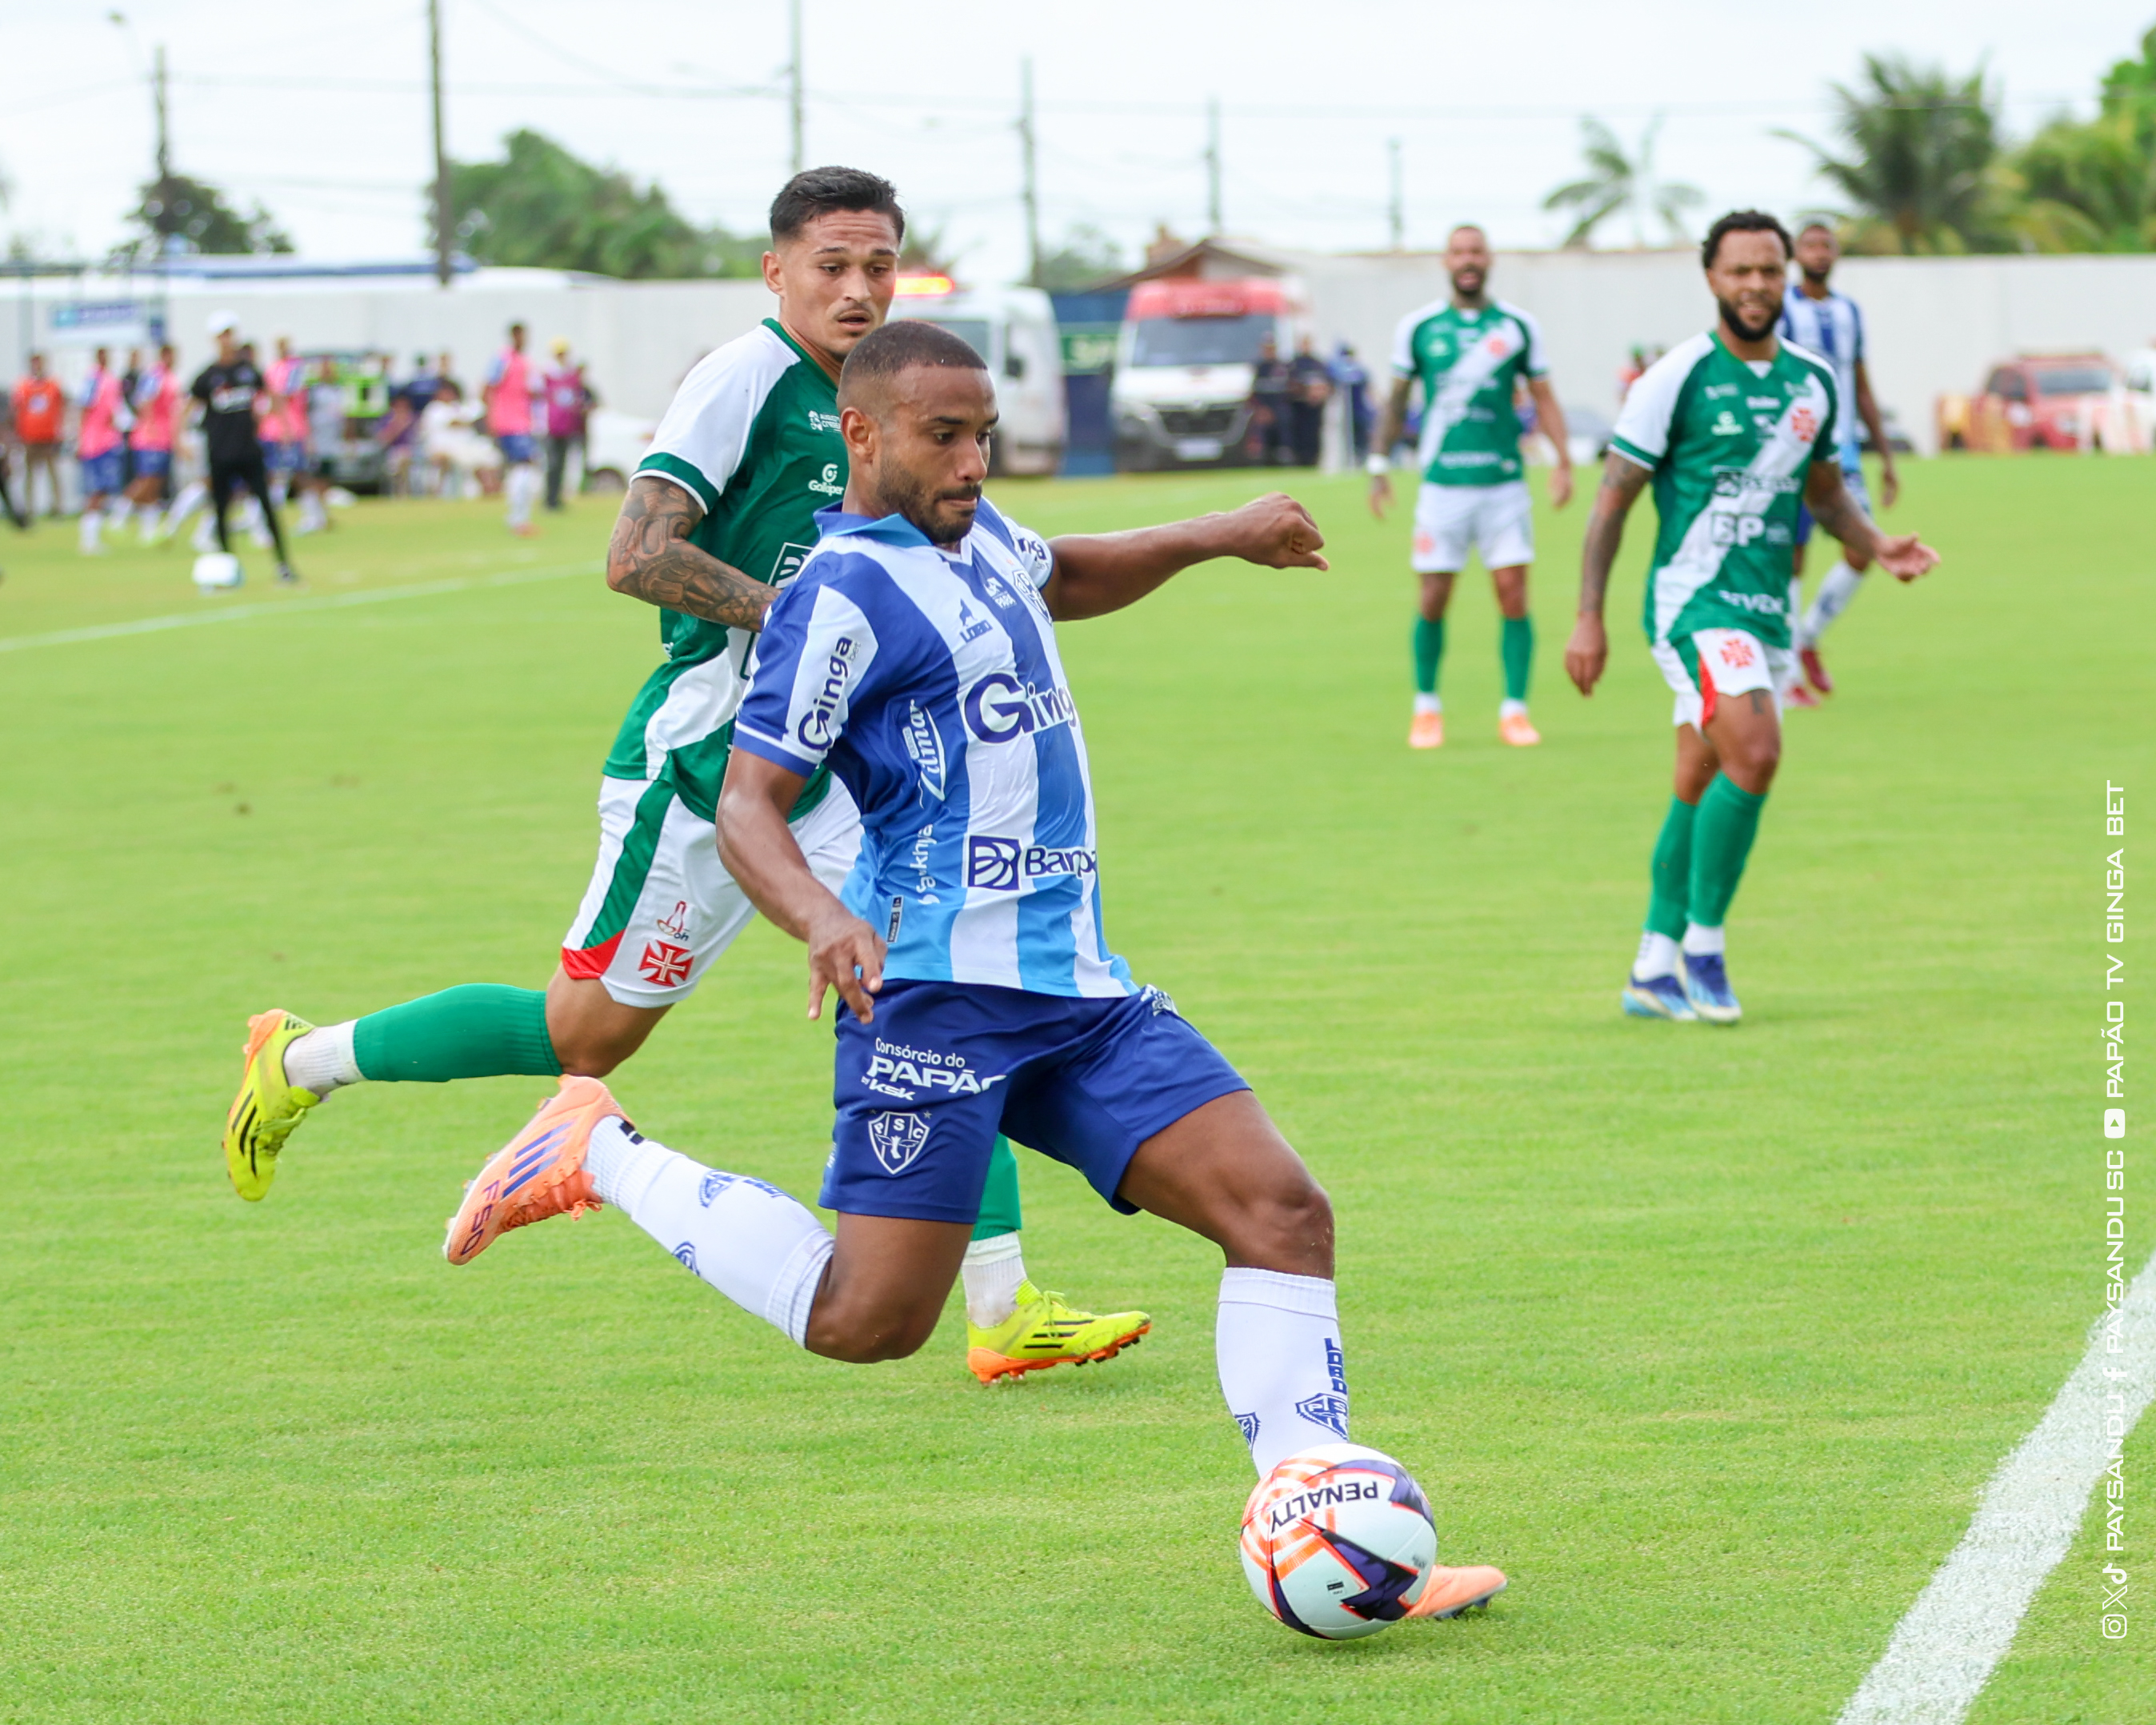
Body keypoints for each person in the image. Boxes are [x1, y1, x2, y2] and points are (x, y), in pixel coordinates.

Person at [430, 316, 1509, 1622]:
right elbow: (751, 807)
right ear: (863, 436)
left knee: (1281, 1213)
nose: (974, 457)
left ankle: (1327, 1526)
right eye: (946, 434)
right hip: (933, 997)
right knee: (870, 1321)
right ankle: (594, 1147)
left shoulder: (984, 533)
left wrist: (1216, 534)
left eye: (983, 431)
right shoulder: (837, 594)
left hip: (1076, 988)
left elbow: (1071, 573)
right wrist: (824, 920)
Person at [221, 168, 1142, 1386]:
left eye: (879, 266)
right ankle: (296, 1060)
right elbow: (637, 552)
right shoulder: (742, 379)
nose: (858, 289)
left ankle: (1001, 1303)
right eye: (832, 266)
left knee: (924, 980)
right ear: (777, 272)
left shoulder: (899, 406)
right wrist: (813, 620)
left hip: (838, 775)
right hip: (709, 763)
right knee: (584, 1034)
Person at [1562, 211, 1937, 1024]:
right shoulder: (1675, 377)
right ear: (1711, 279)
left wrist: (1876, 542)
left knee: (1699, 777)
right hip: (1692, 604)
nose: (1756, 286)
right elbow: (1611, 502)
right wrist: (1588, 616)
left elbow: (1825, 490)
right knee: (1758, 751)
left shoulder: (1811, 382)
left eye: (1768, 270)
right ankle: (1704, 946)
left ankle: (1650, 969)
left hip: (1767, 607)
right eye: (1740, 272)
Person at [1370, 224, 1573, 750]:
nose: (1468, 260)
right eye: (1459, 251)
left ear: (1488, 260)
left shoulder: (1516, 327)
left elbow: (1543, 396)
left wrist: (1562, 461)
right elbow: (1395, 401)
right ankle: (1426, 708)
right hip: (1441, 488)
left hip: (1503, 485)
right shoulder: (1419, 328)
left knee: (1512, 595)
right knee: (1433, 597)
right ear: (1445, 260)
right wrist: (1377, 464)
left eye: (1476, 251)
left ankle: (1514, 710)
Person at [1778, 222, 1901, 702]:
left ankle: (1807, 636)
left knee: (1864, 549)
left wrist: (1886, 456)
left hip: (1843, 450)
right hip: (1791, 452)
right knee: (1792, 559)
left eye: (1826, 245)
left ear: (1837, 254)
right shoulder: (1783, 309)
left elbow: (1861, 384)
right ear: (1796, 254)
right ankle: (1787, 676)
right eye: (1810, 245)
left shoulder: (1850, 312)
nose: (1819, 252)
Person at [187, 312, 297, 584]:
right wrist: (180, 439)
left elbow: (272, 396)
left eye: (230, 333)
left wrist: (279, 425)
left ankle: (283, 564)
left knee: (267, 506)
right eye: (223, 334)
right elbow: (188, 406)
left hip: (249, 450)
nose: (228, 340)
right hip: (220, 452)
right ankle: (228, 568)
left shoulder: (247, 371)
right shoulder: (208, 376)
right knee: (221, 510)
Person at [483, 322, 541, 535]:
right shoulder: (502, 359)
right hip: (508, 422)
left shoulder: (525, 361)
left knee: (523, 466)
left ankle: (519, 518)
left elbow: (531, 391)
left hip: (523, 423)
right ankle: (518, 520)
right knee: (524, 464)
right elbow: (487, 386)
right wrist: (490, 417)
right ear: (514, 336)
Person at [122, 342, 181, 537]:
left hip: (165, 437)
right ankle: (119, 514)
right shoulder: (154, 375)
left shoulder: (170, 377)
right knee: (147, 479)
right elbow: (144, 401)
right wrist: (151, 425)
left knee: (157, 484)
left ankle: (147, 530)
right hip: (150, 437)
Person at [75, 346, 128, 554]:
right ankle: (88, 539)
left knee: (105, 489)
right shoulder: (92, 379)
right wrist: (80, 438)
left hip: (109, 441)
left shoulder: (111, 379)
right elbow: (84, 407)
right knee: (95, 490)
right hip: (93, 443)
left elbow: (116, 409)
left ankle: (93, 537)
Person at [542, 338, 597, 510]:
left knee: (562, 463)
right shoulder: (547, 373)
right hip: (550, 426)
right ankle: (549, 498)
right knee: (552, 463)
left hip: (566, 426)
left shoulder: (570, 375)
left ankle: (557, 497)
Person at [13, 353, 68, 518]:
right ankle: (29, 509)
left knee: (53, 473)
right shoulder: (23, 386)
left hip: (49, 436)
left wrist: (61, 430)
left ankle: (57, 507)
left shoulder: (53, 385)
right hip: (30, 436)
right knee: (29, 473)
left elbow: (61, 408)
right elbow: (17, 410)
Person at [1286, 334, 1331, 467]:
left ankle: (1314, 461)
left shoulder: (1317, 364)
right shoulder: (1294, 364)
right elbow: (1289, 385)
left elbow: (1328, 384)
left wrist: (1319, 394)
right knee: (1299, 437)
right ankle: (1299, 462)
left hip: (1315, 409)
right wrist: (1304, 392)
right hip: (1299, 408)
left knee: (1314, 437)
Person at [1248, 336, 1290, 466]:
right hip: (1263, 408)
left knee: (1285, 421)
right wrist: (1261, 410)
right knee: (1260, 428)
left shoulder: (1282, 367)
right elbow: (1253, 393)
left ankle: (1285, 453)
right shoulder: (1259, 368)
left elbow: (1287, 392)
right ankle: (1261, 458)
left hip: (1280, 408)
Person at [1331, 341, 1372, 462]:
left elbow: (1369, 389)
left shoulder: (1360, 371)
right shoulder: (1337, 370)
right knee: (1346, 438)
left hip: (1359, 410)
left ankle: (1361, 460)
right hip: (1344, 411)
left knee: (1361, 439)